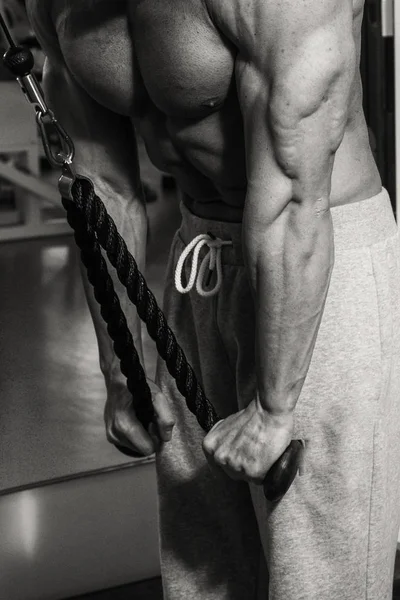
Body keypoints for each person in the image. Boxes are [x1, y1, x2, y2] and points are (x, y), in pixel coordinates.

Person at [25, 1, 400, 598]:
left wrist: (275, 409)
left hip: (318, 252)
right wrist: (123, 365)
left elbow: (295, 196)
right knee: (203, 562)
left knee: (317, 573)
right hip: (198, 258)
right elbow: (101, 186)